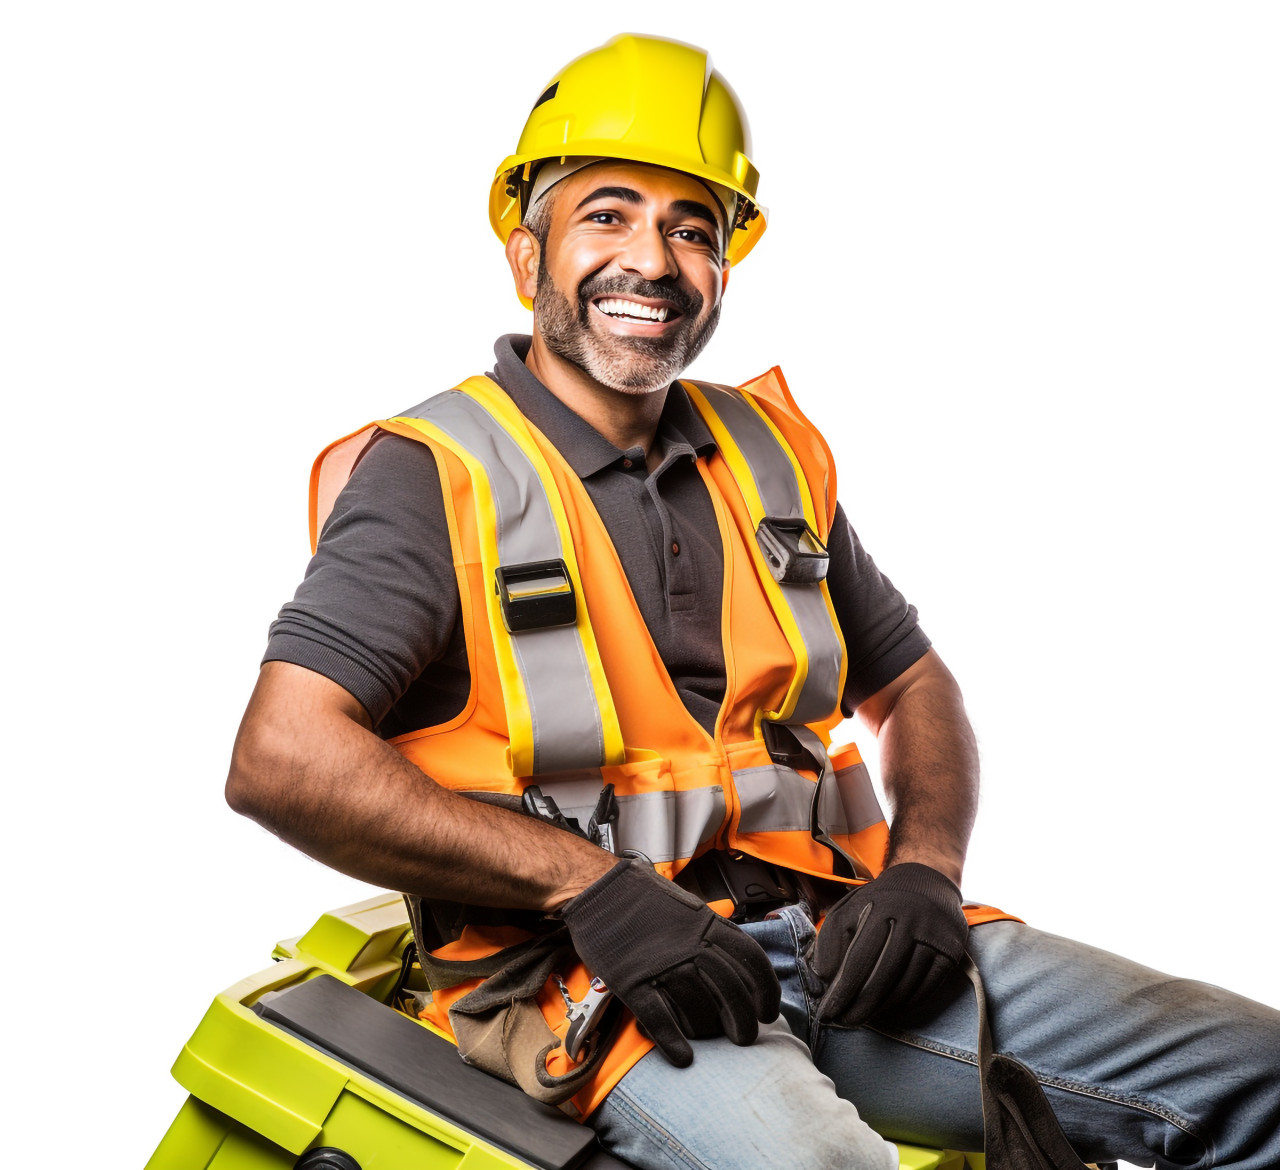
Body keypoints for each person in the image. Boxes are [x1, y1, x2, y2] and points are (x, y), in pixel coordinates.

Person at [226, 33, 1280, 1170]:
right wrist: (589, 887)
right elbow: (281, 758)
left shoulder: (765, 450)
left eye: (692, 228)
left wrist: (924, 872)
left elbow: (912, 681)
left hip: (841, 944)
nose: (656, 260)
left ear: (725, 266)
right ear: (526, 256)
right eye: (609, 216)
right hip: (597, 983)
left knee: (1256, 1072)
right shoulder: (440, 471)